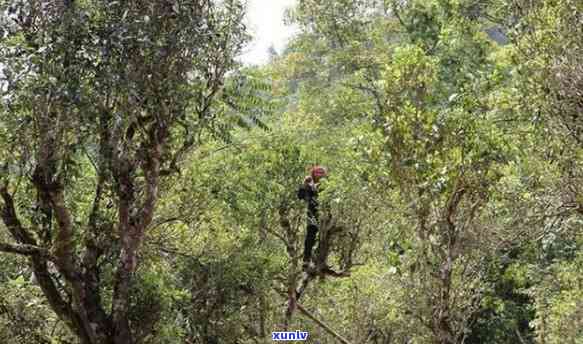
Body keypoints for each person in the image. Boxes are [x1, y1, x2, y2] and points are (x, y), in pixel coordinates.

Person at [297, 165, 327, 269]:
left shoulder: (328, 184)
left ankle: (321, 261)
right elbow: (300, 196)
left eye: (321, 172)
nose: (319, 174)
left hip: (326, 213)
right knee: (311, 235)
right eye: (317, 172)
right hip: (312, 213)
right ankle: (306, 259)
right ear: (313, 173)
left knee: (325, 237)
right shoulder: (309, 183)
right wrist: (305, 184)